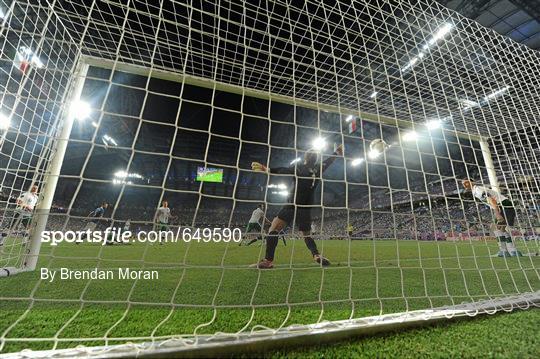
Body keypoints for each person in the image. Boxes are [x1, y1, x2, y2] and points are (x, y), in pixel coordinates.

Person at [250, 144, 343, 269]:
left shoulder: (299, 168)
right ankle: (316, 255)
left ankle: (268, 261)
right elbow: (329, 161)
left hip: (292, 205)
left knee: (273, 229)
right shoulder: (319, 168)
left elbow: (283, 170)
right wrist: (336, 152)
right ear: (315, 159)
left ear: (305, 158)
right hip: (306, 208)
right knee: (307, 235)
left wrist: (266, 169)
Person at [462, 179, 521, 257]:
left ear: (471, 182)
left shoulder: (478, 189)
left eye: (466, 182)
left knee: (497, 228)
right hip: (502, 204)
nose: (464, 185)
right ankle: (512, 250)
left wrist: (497, 213)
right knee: (501, 228)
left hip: (502, 204)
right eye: (463, 183)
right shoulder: (475, 191)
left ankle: (505, 251)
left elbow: (491, 199)